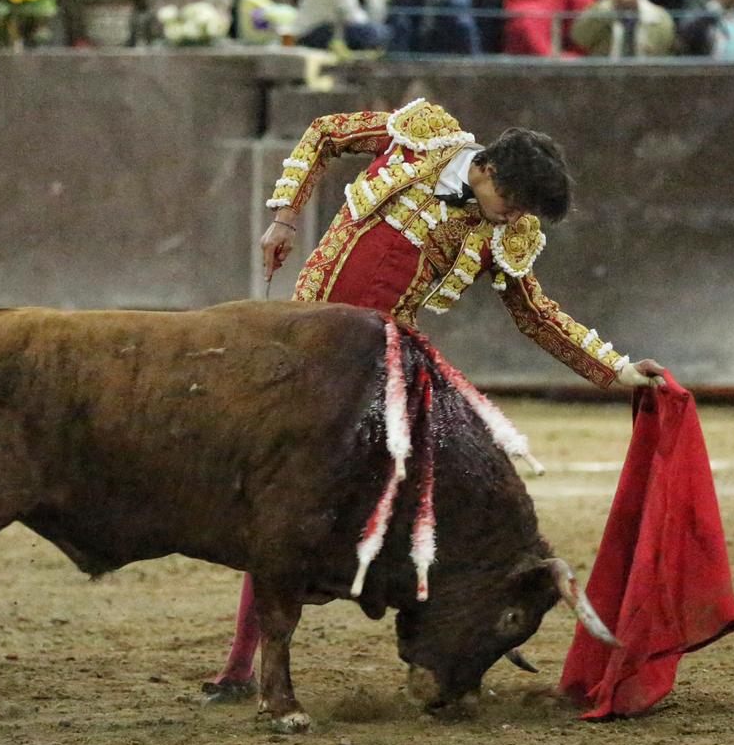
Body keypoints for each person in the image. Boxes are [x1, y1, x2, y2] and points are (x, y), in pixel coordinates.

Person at [203, 99, 666, 701]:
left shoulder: (508, 231)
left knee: (405, 493)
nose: (513, 219)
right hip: (300, 345)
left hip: (373, 373)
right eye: (513, 203)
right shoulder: (420, 138)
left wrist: (619, 370)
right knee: (280, 503)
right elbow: (322, 134)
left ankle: (455, 631)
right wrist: (285, 217)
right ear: (487, 172)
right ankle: (242, 664)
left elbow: (536, 315)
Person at [571, 0, 677, 56]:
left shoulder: (660, 18)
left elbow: (663, 48)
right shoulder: (598, 11)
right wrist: (606, 10)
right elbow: (579, 38)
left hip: (646, 82)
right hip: (603, 80)